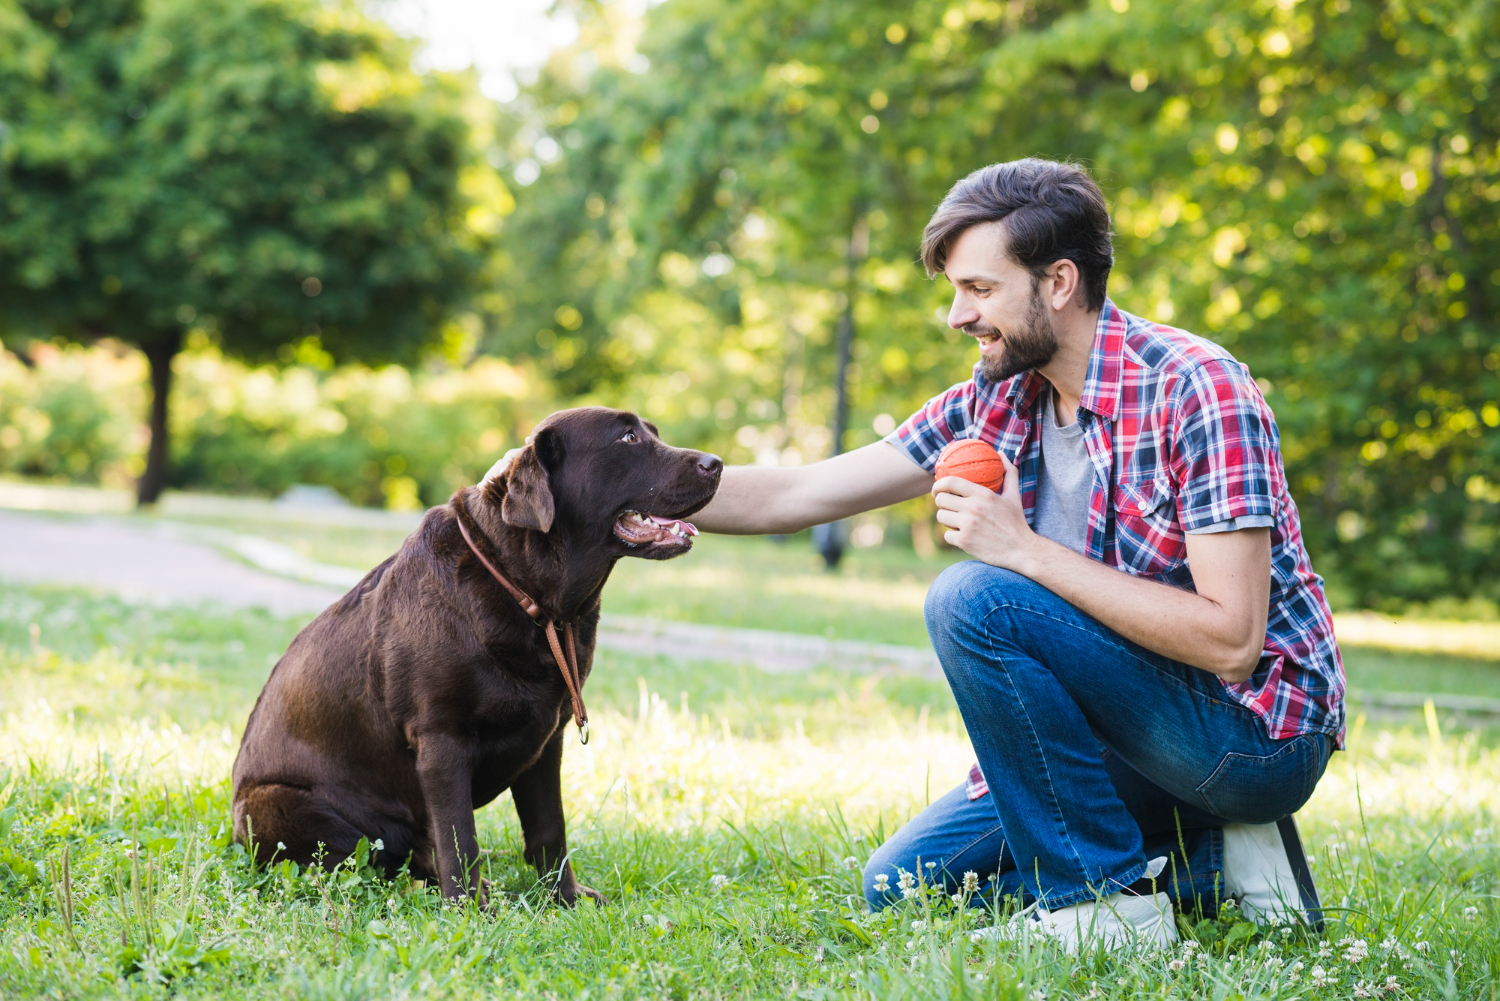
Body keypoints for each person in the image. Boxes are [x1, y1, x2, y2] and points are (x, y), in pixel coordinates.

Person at [689, 158, 1344, 951]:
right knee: (900, 886)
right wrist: (625, 490)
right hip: (1129, 735)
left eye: (980, 289)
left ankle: (1104, 907)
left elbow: (1233, 642)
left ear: (1059, 282)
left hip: (1249, 736)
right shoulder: (998, 395)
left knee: (973, 596)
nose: (958, 315)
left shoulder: (1197, 390)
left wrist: (1024, 551)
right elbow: (795, 496)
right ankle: (1209, 859)